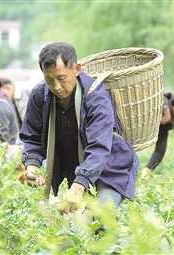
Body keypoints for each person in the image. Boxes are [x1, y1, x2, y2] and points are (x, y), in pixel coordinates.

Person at [19, 42, 138, 213]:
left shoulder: (95, 97)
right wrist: (32, 165)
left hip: (109, 169)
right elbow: (32, 138)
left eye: (61, 78)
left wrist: (80, 184)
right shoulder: (39, 96)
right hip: (75, 169)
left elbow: (99, 147)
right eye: (49, 80)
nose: (56, 87)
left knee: (102, 218)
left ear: (76, 69)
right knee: (72, 229)